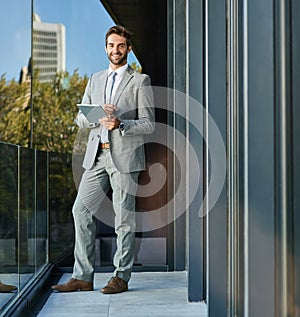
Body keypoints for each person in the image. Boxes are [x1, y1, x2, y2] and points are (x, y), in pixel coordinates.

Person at [52, 25, 155, 294]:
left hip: (124, 158)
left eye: (120, 46)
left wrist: (120, 123)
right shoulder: (95, 79)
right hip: (97, 155)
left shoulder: (140, 81)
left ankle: (120, 276)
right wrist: (97, 115)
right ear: (105, 47)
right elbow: (80, 119)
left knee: (124, 219)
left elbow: (149, 124)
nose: (115, 50)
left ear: (128, 49)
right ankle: (83, 277)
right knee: (80, 210)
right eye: (111, 45)